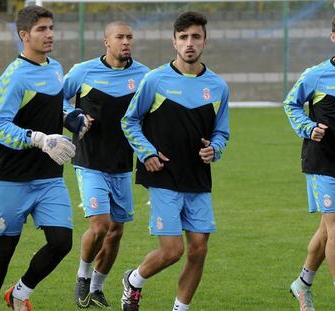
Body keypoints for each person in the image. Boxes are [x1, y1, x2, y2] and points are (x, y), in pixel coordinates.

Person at [120, 12, 229, 311]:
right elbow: (130, 122)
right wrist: (147, 153)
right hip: (164, 175)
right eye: (183, 37)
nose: (189, 43)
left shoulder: (218, 86)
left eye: (195, 37)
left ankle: (180, 308)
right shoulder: (154, 80)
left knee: (199, 249)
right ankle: (134, 280)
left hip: (198, 177)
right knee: (172, 251)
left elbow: (222, 132)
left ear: (205, 42)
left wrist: (214, 150)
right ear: (174, 42)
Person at [0, 5, 79, 311]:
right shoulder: (14, 76)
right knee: (4, 249)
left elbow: (52, 107)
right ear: (24, 35)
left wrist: (71, 117)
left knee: (62, 242)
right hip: (13, 177)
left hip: (49, 176)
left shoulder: (55, 67)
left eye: (51, 28)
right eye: (41, 29)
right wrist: (36, 138)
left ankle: (20, 294)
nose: (49, 34)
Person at [62, 21, 149, 309]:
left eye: (129, 37)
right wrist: (73, 115)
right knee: (99, 226)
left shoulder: (143, 76)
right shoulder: (82, 71)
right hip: (89, 161)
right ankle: (83, 276)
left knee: (116, 231)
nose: (126, 42)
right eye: (120, 37)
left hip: (123, 163)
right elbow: (56, 98)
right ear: (106, 42)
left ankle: (98, 288)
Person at [284, 12, 335, 311]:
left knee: (327, 230)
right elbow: (290, 104)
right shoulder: (316, 75)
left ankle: (302, 284)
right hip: (322, 161)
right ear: (333, 37)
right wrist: (308, 127)